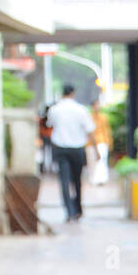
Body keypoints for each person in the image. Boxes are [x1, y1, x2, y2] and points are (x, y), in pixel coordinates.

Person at [47, 84, 95, 222]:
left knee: (64, 181)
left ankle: (69, 211)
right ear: (73, 93)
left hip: (60, 148)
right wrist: (96, 149)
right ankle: (78, 209)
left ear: (63, 94)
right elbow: (90, 129)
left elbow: (50, 124)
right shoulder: (81, 110)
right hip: (77, 149)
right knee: (77, 180)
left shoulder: (55, 110)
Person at [90, 102, 113, 185]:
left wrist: (109, 142)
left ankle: (102, 179)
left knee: (102, 160)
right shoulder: (90, 117)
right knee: (92, 161)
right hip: (91, 143)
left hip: (102, 142)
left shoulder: (103, 117)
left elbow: (107, 130)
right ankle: (94, 179)